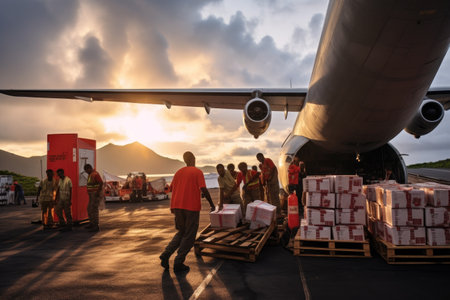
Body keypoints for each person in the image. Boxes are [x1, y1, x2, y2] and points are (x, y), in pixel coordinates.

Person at [160, 151, 215, 273]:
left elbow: (174, 188)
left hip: (177, 207)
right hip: (191, 208)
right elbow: (204, 189)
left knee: (181, 232)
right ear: (193, 159)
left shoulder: (178, 172)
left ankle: (166, 253)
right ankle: (179, 262)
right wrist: (212, 204)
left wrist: (194, 193)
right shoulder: (197, 172)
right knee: (190, 236)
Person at [84, 164, 103, 232]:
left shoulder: (95, 174)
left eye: (86, 170)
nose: (86, 172)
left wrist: (97, 192)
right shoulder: (91, 174)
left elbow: (101, 182)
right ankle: (92, 223)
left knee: (94, 209)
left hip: (95, 194)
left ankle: (95, 225)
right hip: (91, 195)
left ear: (89, 168)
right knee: (89, 209)